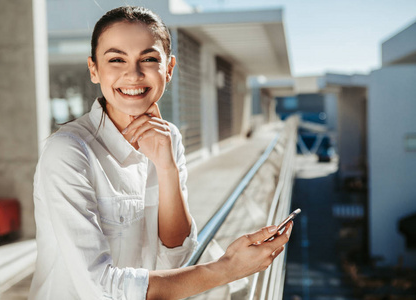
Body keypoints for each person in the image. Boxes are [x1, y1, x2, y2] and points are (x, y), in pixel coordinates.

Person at [29, 6, 293, 300]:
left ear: (168, 69)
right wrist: (227, 269)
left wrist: (167, 168)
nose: (133, 74)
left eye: (149, 59)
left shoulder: (170, 138)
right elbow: (100, 287)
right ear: (94, 69)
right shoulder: (68, 151)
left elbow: (176, 260)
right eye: (116, 59)